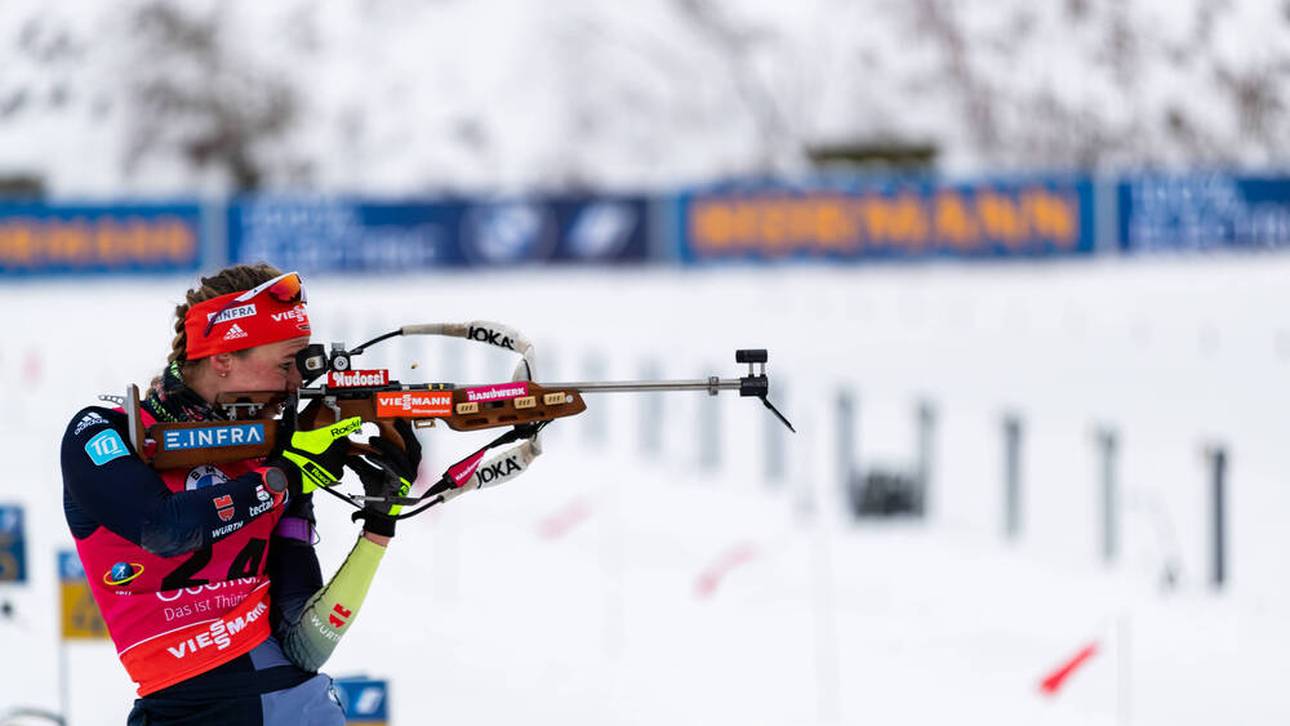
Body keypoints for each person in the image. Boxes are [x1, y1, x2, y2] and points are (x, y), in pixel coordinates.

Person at [60, 263, 417, 725]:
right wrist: (285, 478)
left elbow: (306, 644)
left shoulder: (276, 448)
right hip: (189, 711)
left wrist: (380, 523)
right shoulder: (109, 430)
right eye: (286, 364)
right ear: (223, 359)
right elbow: (165, 528)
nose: (295, 385)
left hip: (299, 709)